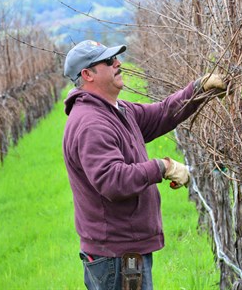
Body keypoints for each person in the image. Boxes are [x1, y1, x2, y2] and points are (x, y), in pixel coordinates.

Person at [61, 40, 227, 290]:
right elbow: (112, 181)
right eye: (108, 61)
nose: (118, 63)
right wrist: (163, 167)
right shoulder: (92, 123)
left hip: (123, 250)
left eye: (115, 58)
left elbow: (161, 114)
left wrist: (198, 89)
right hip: (116, 256)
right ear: (87, 75)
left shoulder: (115, 110)